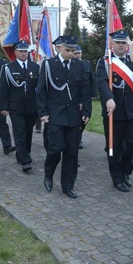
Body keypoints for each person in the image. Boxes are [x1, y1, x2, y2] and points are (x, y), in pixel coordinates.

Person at [36, 35, 91, 199]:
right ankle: (48, 173)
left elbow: (85, 91)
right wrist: (43, 112)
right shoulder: (48, 65)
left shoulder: (79, 66)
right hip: (55, 115)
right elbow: (41, 91)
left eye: (73, 51)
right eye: (68, 50)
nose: (71, 54)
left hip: (73, 116)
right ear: (59, 48)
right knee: (55, 148)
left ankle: (68, 185)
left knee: (72, 152)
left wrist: (87, 111)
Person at [96, 30, 133, 193]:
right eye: (118, 42)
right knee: (113, 147)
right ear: (112, 44)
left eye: (124, 42)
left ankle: (125, 171)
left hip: (131, 111)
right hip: (112, 112)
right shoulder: (105, 62)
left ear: (127, 45)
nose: (121, 45)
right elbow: (101, 82)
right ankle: (117, 178)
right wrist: (108, 98)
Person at [0, 40, 40, 173]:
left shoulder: (35, 67)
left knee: (28, 133)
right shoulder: (9, 68)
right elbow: (3, 89)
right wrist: (4, 107)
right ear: (15, 52)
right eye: (21, 51)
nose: (24, 54)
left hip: (31, 107)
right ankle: (25, 161)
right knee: (19, 132)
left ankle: (22, 154)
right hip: (15, 107)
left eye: (25, 51)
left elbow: (39, 88)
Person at [73, 45, 97, 149]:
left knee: (85, 119)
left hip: (86, 97)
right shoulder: (71, 65)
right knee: (75, 118)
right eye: (76, 53)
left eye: (79, 53)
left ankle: (79, 134)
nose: (78, 55)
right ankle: (76, 138)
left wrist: (93, 94)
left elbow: (92, 79)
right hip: (75, 97)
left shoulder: (86, 64)